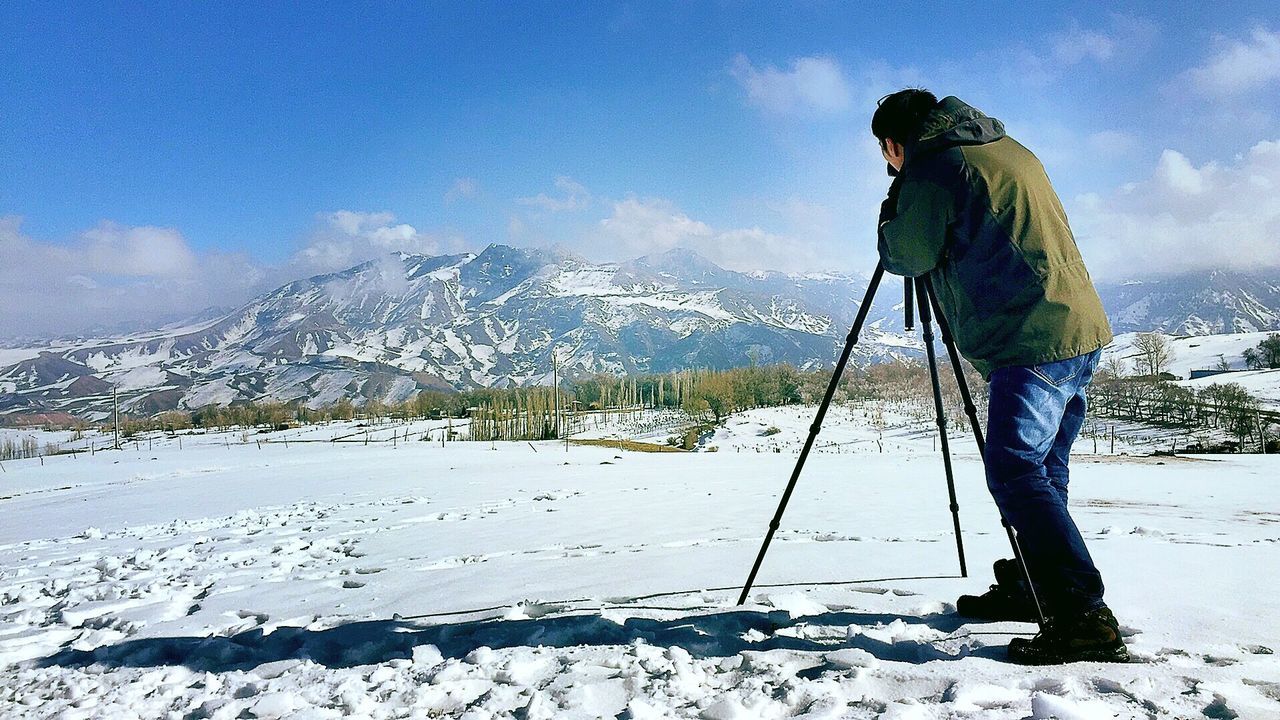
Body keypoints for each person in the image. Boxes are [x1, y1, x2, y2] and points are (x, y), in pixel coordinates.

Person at [872, 88, 1127, 665]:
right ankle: (1034, 587)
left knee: (1014, 471)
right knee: (1041, 471)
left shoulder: (935, 167)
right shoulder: (1004, 147)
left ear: (893, 144)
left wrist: (895, 203)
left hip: (1029, 338)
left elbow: (907, 255)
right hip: (1074, 327)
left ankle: (1081, 615)